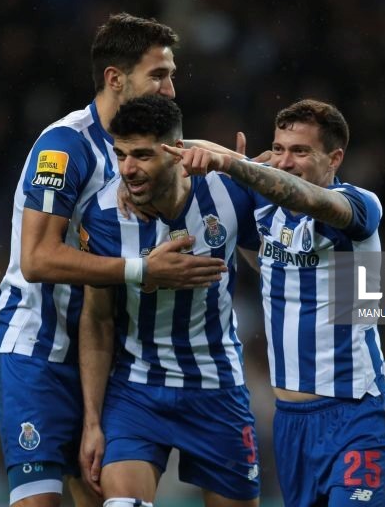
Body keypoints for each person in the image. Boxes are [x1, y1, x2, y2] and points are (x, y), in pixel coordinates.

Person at [0, 14, 227, 507]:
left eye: (172, 75)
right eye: (158, 75)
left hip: (103, 353)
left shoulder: (148, 145)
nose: (171, 89)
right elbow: (36, 259)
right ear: (116, 79)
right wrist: (143, 271)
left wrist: (254, 166)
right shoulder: (65, 146)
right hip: (37, 347)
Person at [165, 99, 385, 506]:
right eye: (278, 149)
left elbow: (308, 200)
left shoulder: (359, 206)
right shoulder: (264, 208)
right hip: (291, 423)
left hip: (356, 413)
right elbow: (266, 255)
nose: (286, 161)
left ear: (335, 158)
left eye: (301, 151)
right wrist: (174, 151)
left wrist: (239, 168)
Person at [78, 95, 261, 507]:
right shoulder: (105, 216)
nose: (128, 169)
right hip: (137, 389)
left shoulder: (228, 191)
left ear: (176, 153)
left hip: (217, 389)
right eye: (121, 155)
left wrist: (251, 171)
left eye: (142, 155)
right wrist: (92, 421)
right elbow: (97, 319)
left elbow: (270, 262)